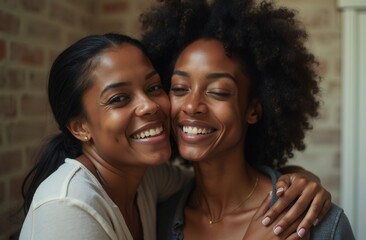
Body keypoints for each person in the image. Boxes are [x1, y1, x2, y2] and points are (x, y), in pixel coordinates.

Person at [20, 33, 330, 239]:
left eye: (155, 88)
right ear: (79, 127)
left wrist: (293, 177)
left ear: (254, 109)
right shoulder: (68, 208)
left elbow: (209, 181)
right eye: (118, 99)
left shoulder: (149, 182)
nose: (149, 105)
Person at [140, 0, 355, 239]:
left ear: (253, 110)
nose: (191, 105)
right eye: (180, 88)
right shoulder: (157, 221)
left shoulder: (315, 223)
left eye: (218, 92)